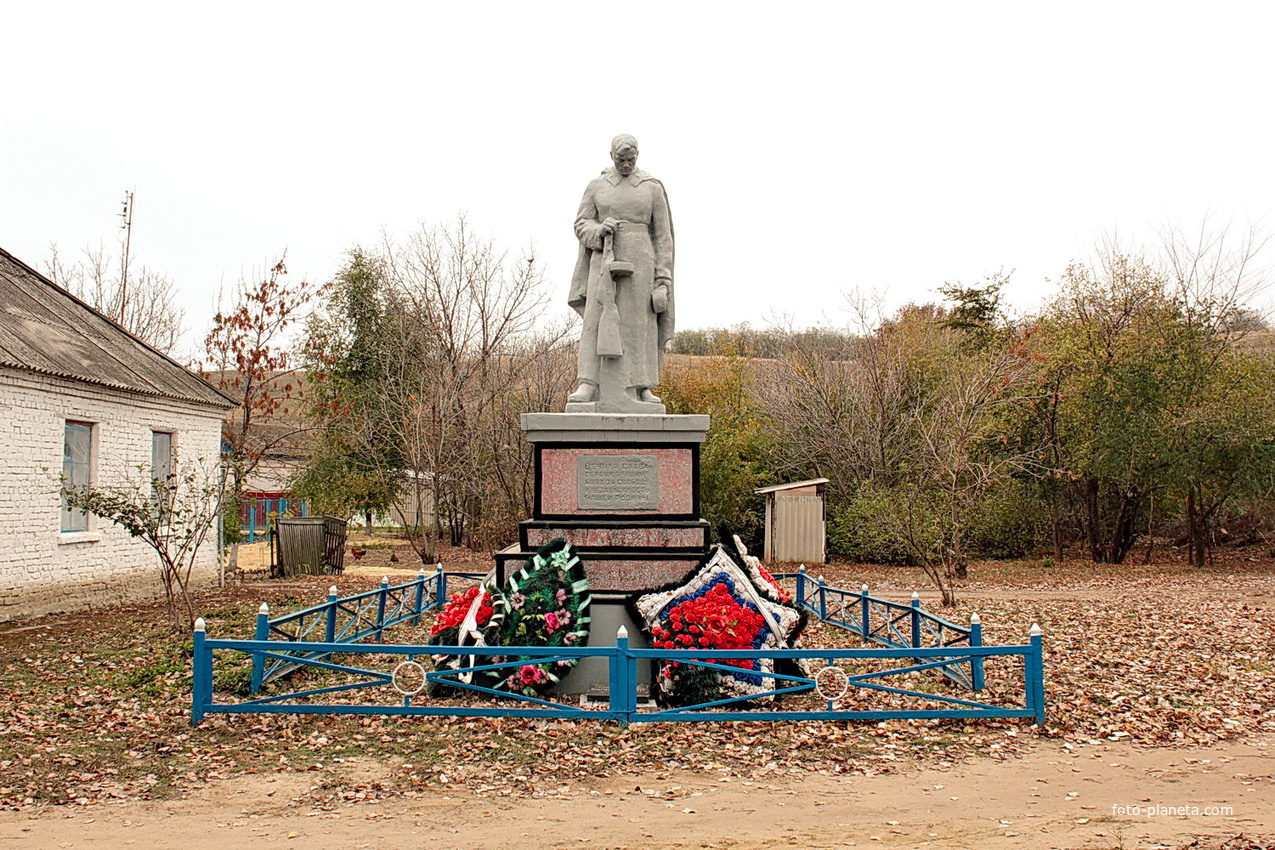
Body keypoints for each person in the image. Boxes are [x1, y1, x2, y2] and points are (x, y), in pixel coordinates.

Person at [566, 134, 674, 408]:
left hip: (641, 262)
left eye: (630, 159)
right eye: (620, 159)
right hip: (604, 259)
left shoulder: (651, 187)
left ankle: (642, 385)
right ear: (611, 156)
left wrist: (662, 279)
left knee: (640, 324)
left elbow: (663, 237)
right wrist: (598, 230)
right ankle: (589, 383)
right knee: (597, 319)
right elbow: (581, 223)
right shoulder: (597, 186)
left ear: (637, 156)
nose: (626, 164)